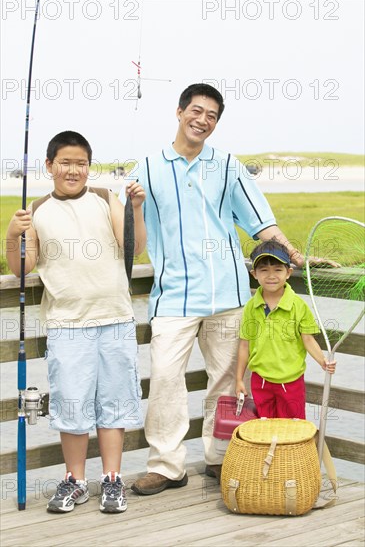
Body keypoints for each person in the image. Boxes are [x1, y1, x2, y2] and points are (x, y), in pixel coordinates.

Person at [122, 83, 311, 495]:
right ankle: (167, 466)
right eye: (196, 110)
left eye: (211, 115)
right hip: (172, 297)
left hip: (229, 296)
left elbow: (261, 222)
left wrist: (294, 254)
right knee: (166, 379)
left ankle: (221, 457)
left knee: (227, 382)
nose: (202, 120)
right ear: (179, 112)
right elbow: (134, 246)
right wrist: (133, 206)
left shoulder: (227, 166)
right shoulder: (147, 170)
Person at [6, 131, 146, 514]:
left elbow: (135, 247)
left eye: (80, 163)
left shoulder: (104, 199)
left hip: (115, 320)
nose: (73, 169)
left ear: (88, 166)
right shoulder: (35, 210)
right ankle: (75, 481)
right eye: (65, 162)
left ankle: (112, 479)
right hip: (66, 325)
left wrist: (135, 208)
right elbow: (22, 267)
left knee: (114, 405)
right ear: (50, 166)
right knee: (72, 405)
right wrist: (12, 234)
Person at [236, 240, 336, 418]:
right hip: (261, 380)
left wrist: (322, 361)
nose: (271, 275)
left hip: (291, 381)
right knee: (265, 428)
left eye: (278, 269)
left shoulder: (298, 306)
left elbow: (308, 340)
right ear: (254, 274)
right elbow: (244, 345)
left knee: (293, 430)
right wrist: (239, 380)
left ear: (288, 273)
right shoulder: (251, 306)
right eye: (264, 270)